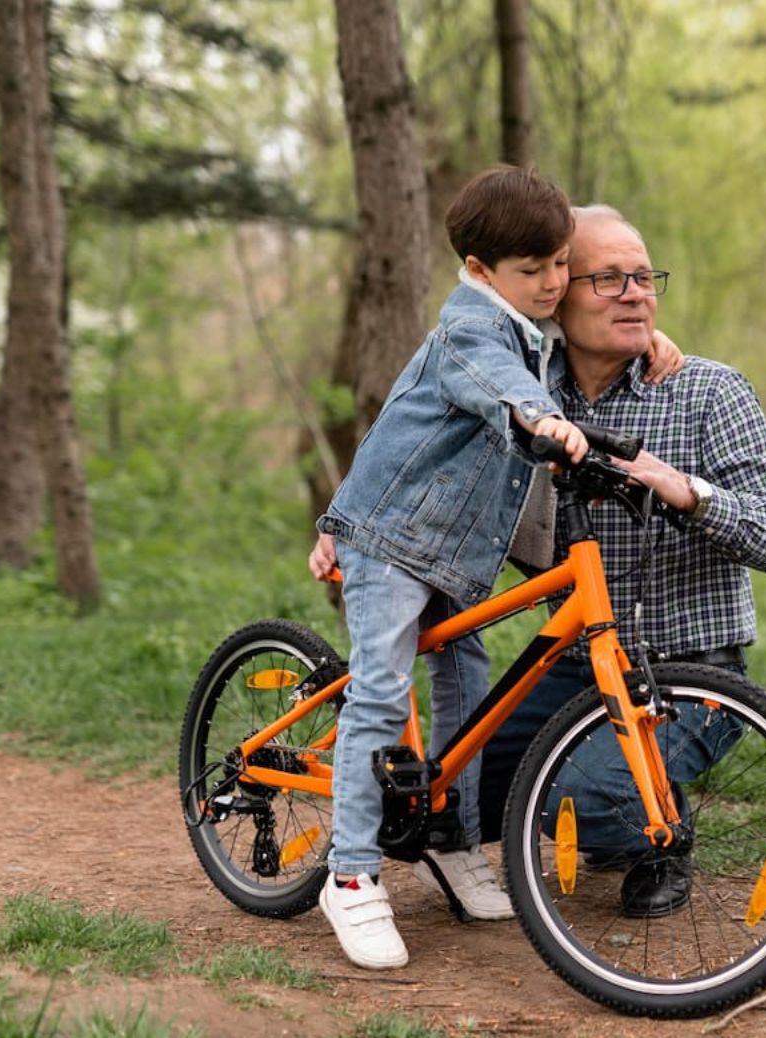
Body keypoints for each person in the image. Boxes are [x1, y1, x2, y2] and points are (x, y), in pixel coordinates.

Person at [476, 205, 766, 917]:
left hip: (687, 675)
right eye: (609, 280)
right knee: (453, 795)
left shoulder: (708, 392)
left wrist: (686, 491)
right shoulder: (527, 388)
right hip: (570, 668)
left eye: (644, 278)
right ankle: (616, 801)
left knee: (572, 797)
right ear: (557, 292)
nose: (637, 294)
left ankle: (658, 831)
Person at [305, 165, 593, 972]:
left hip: (453, 554)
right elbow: (493, 383)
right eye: (532, 272)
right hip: (394, 541)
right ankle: (352, 873)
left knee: (470, 693)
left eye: (559, 264)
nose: (552, 283)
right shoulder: (470, 329)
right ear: (479, 272)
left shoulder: (534, 324)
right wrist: (540, 416)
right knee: (381, 689)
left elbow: (558, 341)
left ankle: (451, 839)